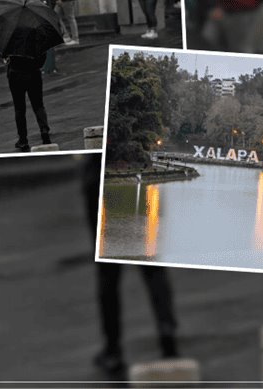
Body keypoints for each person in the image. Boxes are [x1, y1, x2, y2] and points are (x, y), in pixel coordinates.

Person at [82, 154, 179, 375]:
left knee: (108, 272)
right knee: (151, 264)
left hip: (100, 178)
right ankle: (167, 334)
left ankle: (113, 349)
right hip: (136, 176)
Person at [6, 53, 51, 152]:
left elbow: (4, 55)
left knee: (19, 108)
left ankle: (23, 139)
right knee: (38, 105)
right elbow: (42, 57)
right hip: (33, 73)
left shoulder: (11, 40)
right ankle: (44, 131)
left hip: (15, 74)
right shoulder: (36, 38)